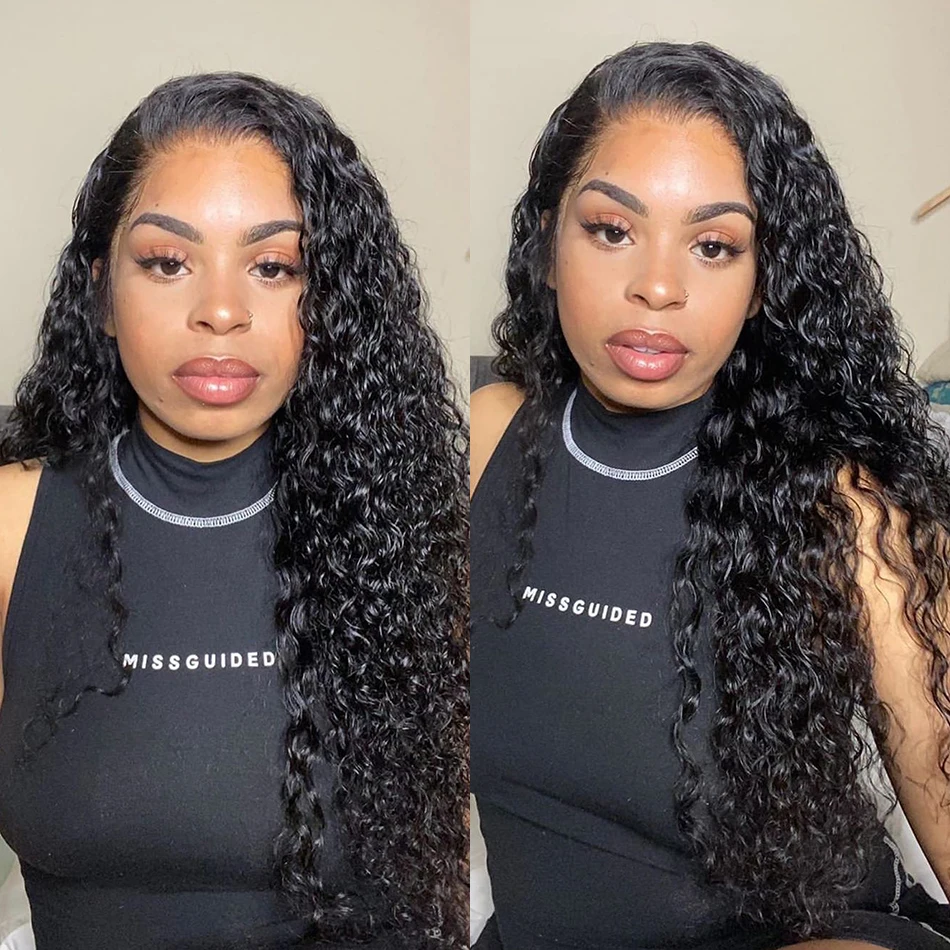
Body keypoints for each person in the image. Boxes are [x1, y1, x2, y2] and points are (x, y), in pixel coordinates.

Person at [470, 40, 950, 950]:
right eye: (612, 230)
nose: (657, 287)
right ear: (547, 243)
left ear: (764, 282)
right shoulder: (485, 439)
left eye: (714, 246)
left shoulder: (848, 508)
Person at [0, 71, 468, 950]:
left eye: (273, 267)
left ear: (329, 303)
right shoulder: (12, 526)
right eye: (167, 262)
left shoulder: (411, 540)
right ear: (101, 294)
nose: (221, 311)